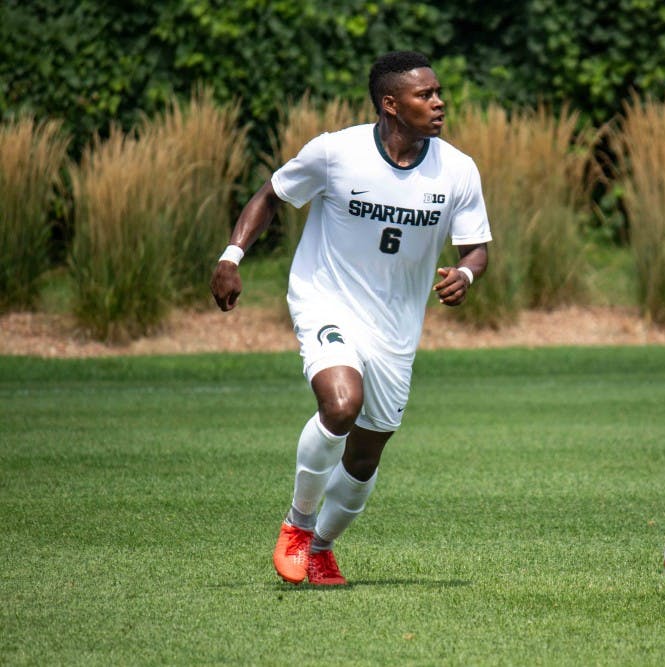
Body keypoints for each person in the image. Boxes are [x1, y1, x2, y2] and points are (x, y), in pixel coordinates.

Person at [210, 50, 491, 586]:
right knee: (341, 405)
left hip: (396, 326)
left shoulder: (457, 169)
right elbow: (271, 195)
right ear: (391, 103)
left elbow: (476, 248)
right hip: (326, 299)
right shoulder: (336, 153)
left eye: (438, 93)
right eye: (424, 95)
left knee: (366, 454)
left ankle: (320, 548)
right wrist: (231, 256)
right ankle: (296, 524)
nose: (439, 102)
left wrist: (468, 274)